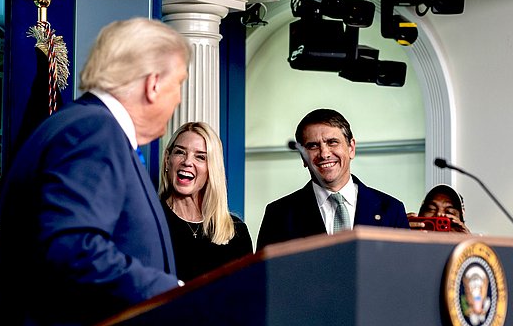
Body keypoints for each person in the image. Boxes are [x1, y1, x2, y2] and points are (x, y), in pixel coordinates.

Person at [0, 17, 191, 326]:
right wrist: (169, 291)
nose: (179, 98)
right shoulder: (94, 130)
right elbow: (71, 247)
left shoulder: (75, 124)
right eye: (178, 83)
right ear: (153, 84)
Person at [256, 108, 410, 251]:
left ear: (351, 148)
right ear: (303, 157)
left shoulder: (391, 210)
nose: (324, 154)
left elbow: (404, 268)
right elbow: (266, 272)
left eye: (332, 142)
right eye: (313, 146)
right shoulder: (278, 215)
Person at [159, 121, 253, 282]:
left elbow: (248, 291)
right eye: (180, 152)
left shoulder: (236, 231)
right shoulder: (150, 221)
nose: (187, 162)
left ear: (212, 169)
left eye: (200, 157)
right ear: (168, 160)